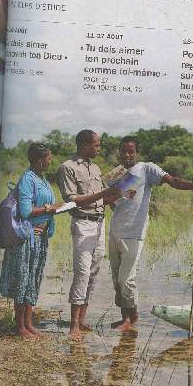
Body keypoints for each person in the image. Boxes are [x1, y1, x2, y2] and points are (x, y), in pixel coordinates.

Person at [109, 136, 193, 331]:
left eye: (131, 151)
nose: (128, 154)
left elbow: (172, 181)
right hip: (115, 232)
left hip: (135, 233)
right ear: (119, 152)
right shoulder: (116, 174)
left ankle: (130, 320)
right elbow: (111, 202)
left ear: (136, 152)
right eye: (124, 151)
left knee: (126, 279)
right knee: (117, 280)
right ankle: (128, 316)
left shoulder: (147, 169)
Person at [57, 130, 121, 339]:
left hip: (99, 223)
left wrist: (118, 195)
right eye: (95, 145)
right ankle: (73, 325)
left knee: (93, 272)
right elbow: (72, 200)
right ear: (84, 144)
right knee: (82, 272)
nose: (98, 148)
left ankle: (82, 320)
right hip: (82, 224)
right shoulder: (68, 167)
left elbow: (101, 200)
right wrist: (103, 194)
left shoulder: (95, 168)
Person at [0, 143, 62, 339]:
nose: (50, 161)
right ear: (40, 159)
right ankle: (20, 327)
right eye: (49, 157)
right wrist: (50, 208)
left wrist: (51, 211)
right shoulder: (27, 178)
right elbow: (26, 211)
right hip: (26, 239)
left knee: (33, 280)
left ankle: (28, 323)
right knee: (23, 280)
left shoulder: (41, 178)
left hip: (39, 239)